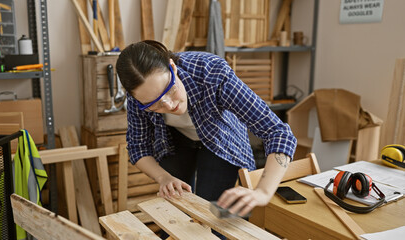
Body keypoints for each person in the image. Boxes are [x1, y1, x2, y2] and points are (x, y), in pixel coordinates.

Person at [116, 40, 297, 219]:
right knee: (176, 213)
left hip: (221, 138)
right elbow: (138, 148)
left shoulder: (212, 72)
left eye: (169, 90)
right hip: (175, 140)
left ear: (172, 67)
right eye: (153, 104)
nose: (169, 105)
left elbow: (277, 132)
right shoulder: (139, 97)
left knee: (213, 215)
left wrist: (263, 192)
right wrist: (163, 178)